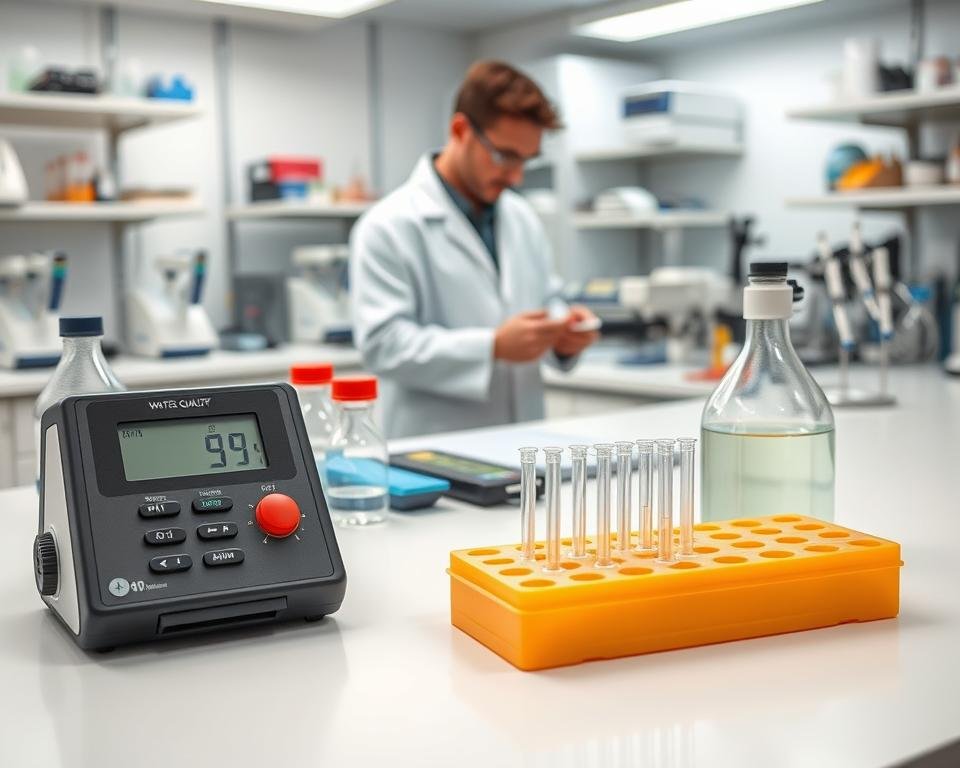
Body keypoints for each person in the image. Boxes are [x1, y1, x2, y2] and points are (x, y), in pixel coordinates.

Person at [350, 60, 599, 438]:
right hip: (434, 446)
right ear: (460, 130)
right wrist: (493, 347)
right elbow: (383, 345)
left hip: (525, 443)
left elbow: (546, 300)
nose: (515, 176)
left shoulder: (522, 217)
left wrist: (563, 334)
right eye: (504, 156)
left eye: (526, 161)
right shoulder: (388, 225)